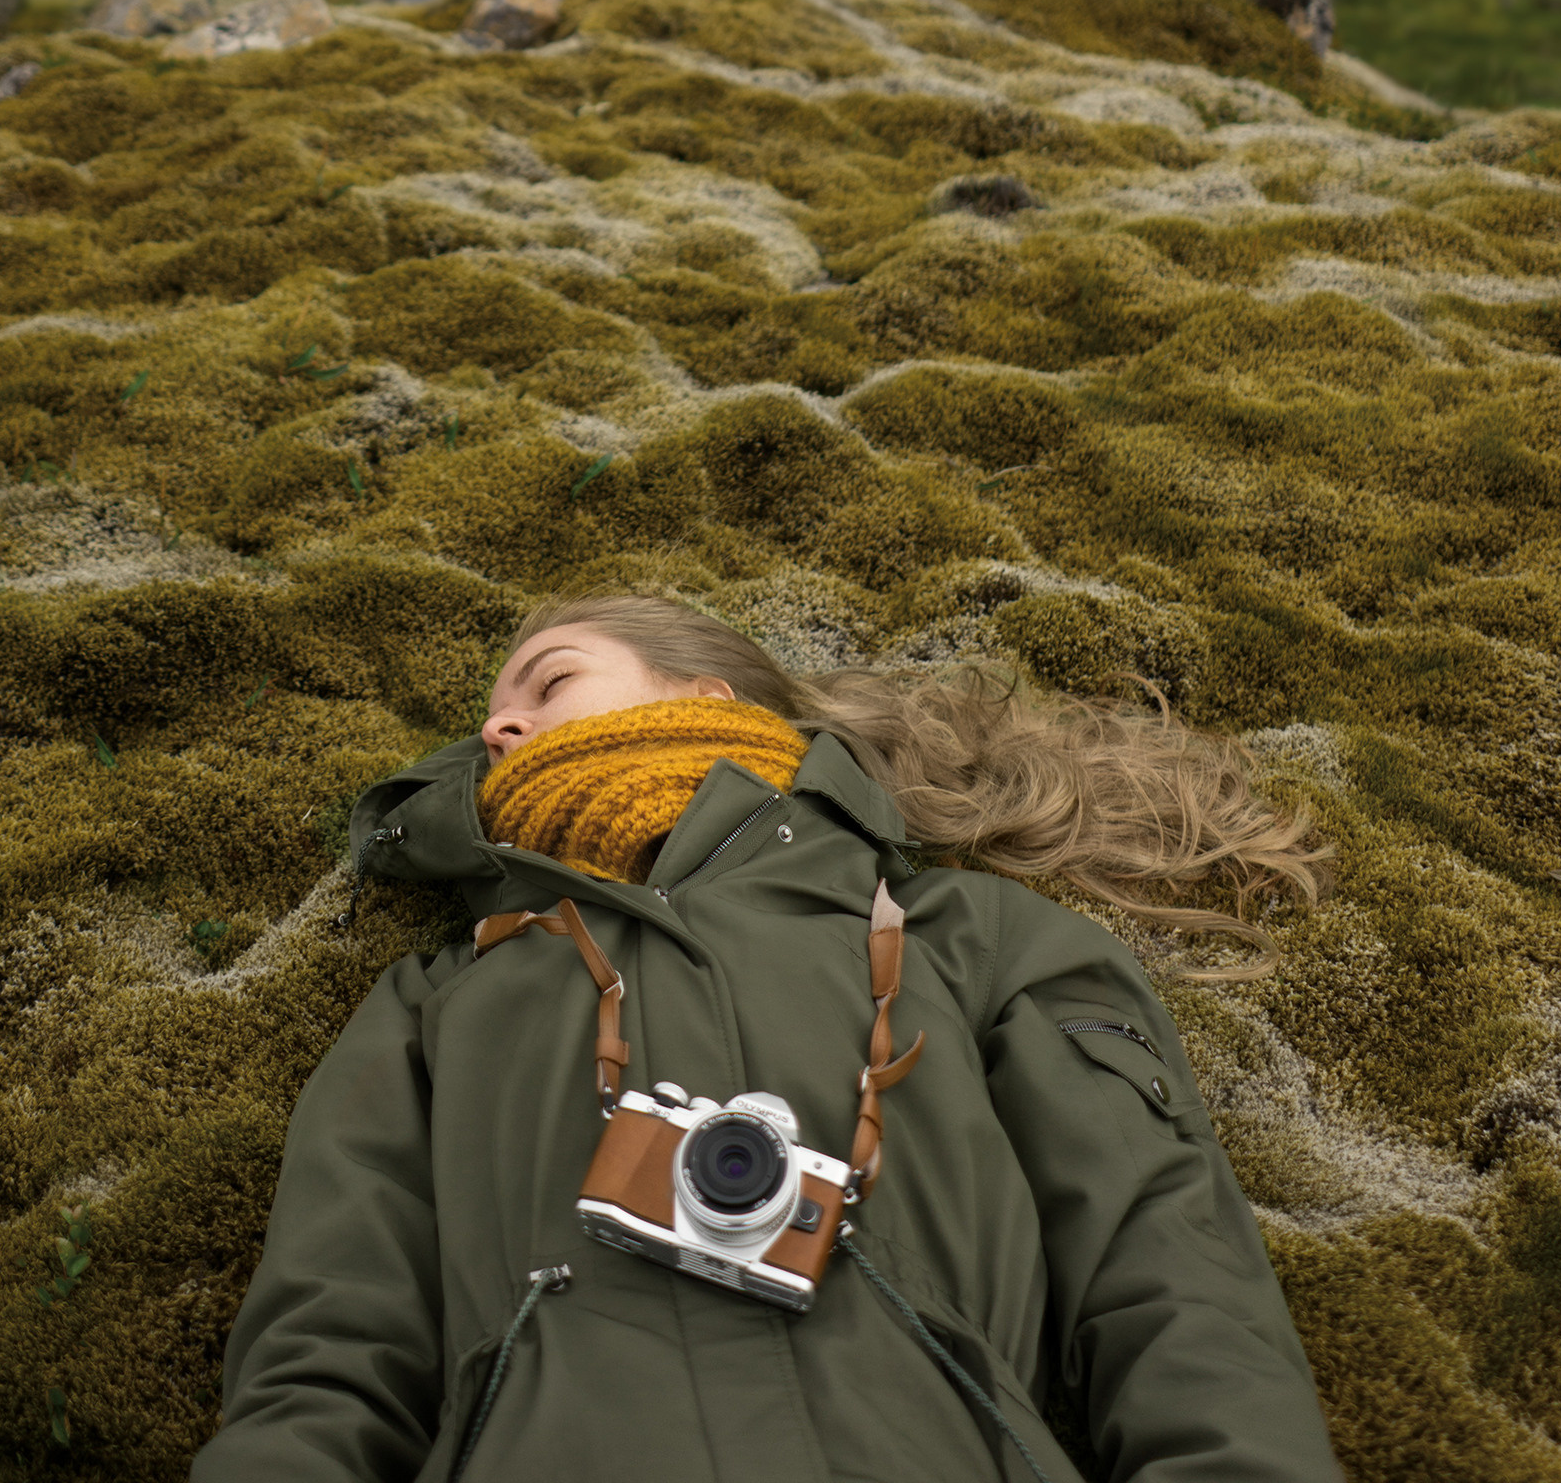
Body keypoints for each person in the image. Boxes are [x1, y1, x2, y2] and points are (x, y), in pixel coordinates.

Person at [197, 591, 1341, 1482]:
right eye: (493, 716)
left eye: (547, 680)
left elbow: (1166, 1273)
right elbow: (326, 1353)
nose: (497, 725)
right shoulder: (433, 1003)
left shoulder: (976, 939)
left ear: (705, 696)